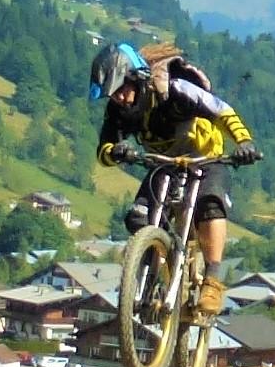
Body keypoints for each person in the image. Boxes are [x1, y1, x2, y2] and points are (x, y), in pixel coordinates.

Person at [91, 40, 261, 317]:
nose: (119, 98)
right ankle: (146, 282)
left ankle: (213, 281)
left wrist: (244, 142)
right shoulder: (118, 111)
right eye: (112, 95)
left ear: (136, 78)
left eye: (121, 89)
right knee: (138, 218)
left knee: (210, 206)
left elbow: (222, 110)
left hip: (205, 159)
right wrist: (116, 151)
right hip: (163, 164)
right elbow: (103, 151)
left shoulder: (174, 90)